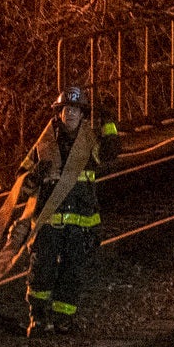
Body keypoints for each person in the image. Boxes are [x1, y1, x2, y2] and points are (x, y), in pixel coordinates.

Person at [19, 84, 119, 332]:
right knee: (42, 271)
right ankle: (38, 318)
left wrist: (108, 123)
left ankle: (63, 320)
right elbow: (21, 185)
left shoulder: (90, 143)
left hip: (80, 224)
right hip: (48, 224)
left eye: (75, 109)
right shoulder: (43, 145)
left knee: (72, 273)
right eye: (66, 109)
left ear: (83, 114)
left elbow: (111, 152)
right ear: (59, 113)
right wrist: (35, 176)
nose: (71, 113)